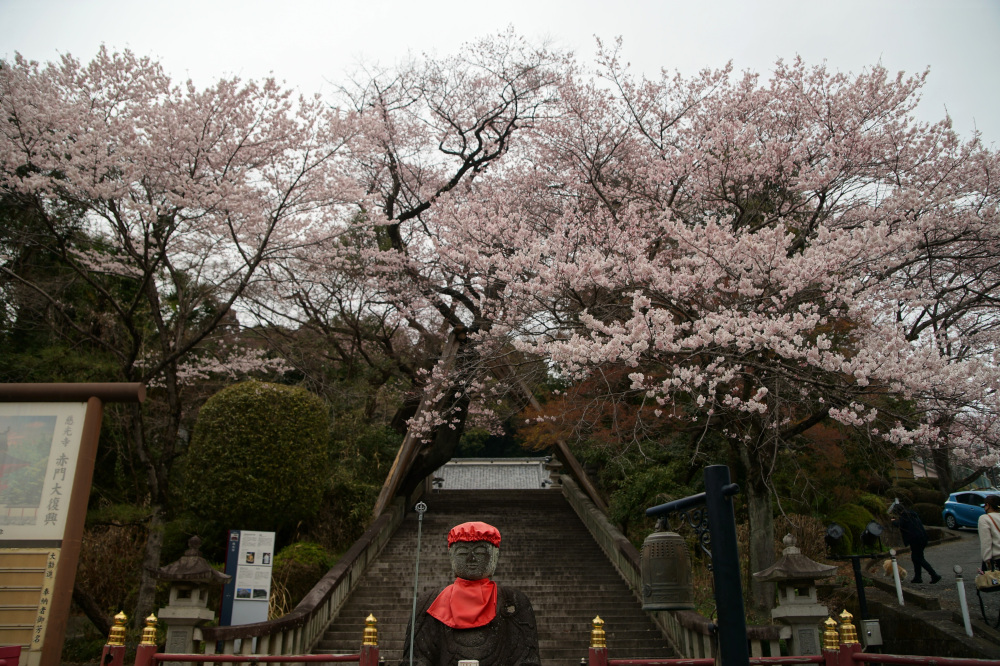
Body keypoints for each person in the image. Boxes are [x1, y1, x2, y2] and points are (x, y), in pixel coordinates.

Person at [400, 521, 540, 666]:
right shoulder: (429, 604)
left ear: (494, 556)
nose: (471, 559)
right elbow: (416, 660)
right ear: (451, 556)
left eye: (480, 552)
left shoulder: (513, 602)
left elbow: (527, 661)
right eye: (462, 553)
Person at [889, 501, 941, 585]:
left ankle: (934, 575)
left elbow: (899, 524)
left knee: (918, 558)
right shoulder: (912, 514)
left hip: (916, 539)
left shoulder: (905, 516)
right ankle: (918, 577)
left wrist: (893, 521)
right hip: (922, 538)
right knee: (916, 557)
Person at [978, 495, 1000, 572]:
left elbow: (986, 541)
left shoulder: (984, 518)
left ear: (987, 505)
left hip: (996, 559)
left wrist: (986, 559)